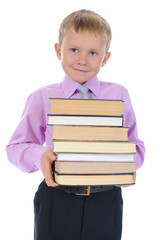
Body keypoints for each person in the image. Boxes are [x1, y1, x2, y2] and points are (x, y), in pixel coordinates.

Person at [6, 9, 145, 240]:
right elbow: (16, 146)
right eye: (73, 50)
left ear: (105, 57)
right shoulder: (42, 97)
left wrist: (126, 165)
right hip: (56, 199)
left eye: (92, 52)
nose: (82, 59)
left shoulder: (118, 94)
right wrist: (40, 155)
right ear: (58, 50)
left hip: (106, 201)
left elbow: (135, 144)